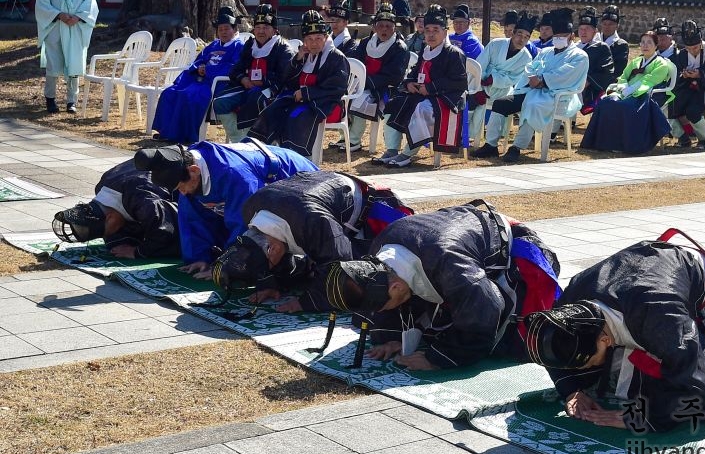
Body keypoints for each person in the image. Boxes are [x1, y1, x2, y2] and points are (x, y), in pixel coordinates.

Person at [523, 233, 705, 432]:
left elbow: (695, 383)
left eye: (584, 360)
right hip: (646, 284)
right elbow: (554, 344)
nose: (580, 367)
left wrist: (645, 417)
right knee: (624, 383)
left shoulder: (658, 315)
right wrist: (572, 388)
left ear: (605, 338)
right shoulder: (572, 304)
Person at [325, 202, 560, 369]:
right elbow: (380, 296)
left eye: (382, 306)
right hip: (449, 238)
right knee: (435, 320)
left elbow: (486, 308)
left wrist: (436, 359)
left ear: (396, 287)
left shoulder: (449, 264)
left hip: (516, 252)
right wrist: (392, 337)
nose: (377, 312)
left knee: (514, 344)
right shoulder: (381, 250)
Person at [210, 170, 413, 311]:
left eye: (268, 266)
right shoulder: (250, 210)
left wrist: (308, 303)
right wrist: (269, 284)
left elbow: (339, 263)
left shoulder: (311, 221)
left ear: (271, 250)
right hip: (318, 195)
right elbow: (265, 248)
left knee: (365, 278)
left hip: (371, 212)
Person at [133, 140, 317, 278]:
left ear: (194, 171)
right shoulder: (187, 167)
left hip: (302, 185)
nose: (181, 192)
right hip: (258, 190)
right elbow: (192, 219)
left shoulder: (235, 175)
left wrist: (225, 266)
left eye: (181, 186)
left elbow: (246, 224)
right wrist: (200, 258)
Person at [473, 8, 588, 163]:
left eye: (563, 36)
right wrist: (533, 77)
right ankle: (491, 145)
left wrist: (542, 80)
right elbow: (531, 68)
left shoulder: (579, 56)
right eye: (556, 36)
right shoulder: (546, 51)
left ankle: (517, 147)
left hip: (556, 96)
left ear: (572, 36)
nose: (559, 38)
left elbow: (566, 74)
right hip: (531, 90)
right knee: (500, 103)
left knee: (532, 105)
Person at [376, 4, 468, 168]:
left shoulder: (454, 54)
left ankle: (407, 154)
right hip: (421, 94)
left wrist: (431, 88)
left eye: (436, 30)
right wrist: (409, 83)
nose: (431, 34)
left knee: (421, 109)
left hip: (445, 99)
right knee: (392, 105)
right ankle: (391, 149)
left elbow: (459, 82)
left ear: (445, 32)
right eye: (428, 30)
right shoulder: (425, 51)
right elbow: (414, 72)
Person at [248, 10, 350, 157]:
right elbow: (287, 80)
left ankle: (298, 157)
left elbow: (337, 88)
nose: (314, 43)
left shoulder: (336, 58)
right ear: (304, 40)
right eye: (309, 39)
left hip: (326, 104)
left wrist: (306, 93)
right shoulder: (306, 55)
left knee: (295, 116)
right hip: (302, 100)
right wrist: (298, 59)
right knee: (273, 110)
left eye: (318, 38)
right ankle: (269, 151)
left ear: (326, 37)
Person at [150, 7, 244, 143]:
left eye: (227, 28)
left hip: (217, 84)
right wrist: (198, 68)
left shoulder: (239, 46)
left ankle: (182, 135)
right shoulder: (213, 45)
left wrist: (208, 70)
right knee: (169, 93)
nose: (223, 32)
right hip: (200, 79)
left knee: (188, 95)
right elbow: (200, 59)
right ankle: (166, 132)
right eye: (220, 29)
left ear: (234, 30)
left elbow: (233, 68)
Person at [52, 160, 179, 259]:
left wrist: (137, 252)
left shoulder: (144, 203)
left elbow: (165, 232)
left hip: (188, 174)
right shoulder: (102, 186)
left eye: (104, 233)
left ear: (110, 218)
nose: (105, 237)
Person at [580, 31, 672, 154]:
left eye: (649, 42)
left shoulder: (661, 63)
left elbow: (650, 80)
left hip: (644, 95)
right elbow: (624, 76)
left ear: (656, 45)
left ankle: (624, 144)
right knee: (605, 103)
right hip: (626, 92)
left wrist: (631, 90)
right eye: (643, 42)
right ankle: (602, 143)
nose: (645, 45)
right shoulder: (636, 61)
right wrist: (623, 86)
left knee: (624, 106)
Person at [212, 4, 294, 143]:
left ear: (274, 30)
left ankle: (259, 141)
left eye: (265, 28)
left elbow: (285, 77)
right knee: (220, 101)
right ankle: (239, 139)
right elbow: (236, 69)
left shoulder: (283, 48)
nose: (261, 31)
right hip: (248, 86)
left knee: (256, 99)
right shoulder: (250, 45)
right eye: (258, 28)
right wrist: (243, 79)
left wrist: (263, 81)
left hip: (273, 89)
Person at [35, 0, 99, 115]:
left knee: (74, 64)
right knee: (53, 64)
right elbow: (41, 4)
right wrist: (59, 15)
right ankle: (50, 99)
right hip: (56, 26)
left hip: (76, 28)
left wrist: (78, 17)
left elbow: (91, 5)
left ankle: (72, 101)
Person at [468, 12, 537, 157]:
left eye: (526, 37)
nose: (521, 39)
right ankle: (462, 137)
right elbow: (480, 65)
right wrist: (480, 87)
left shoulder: (526, 57)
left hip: (503, 89)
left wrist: (494, 79)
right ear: (512, 33)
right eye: (519, 34)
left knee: (500, 104)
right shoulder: (496, 44)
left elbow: (513, 79)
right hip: (480, 83)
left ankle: (491, 144)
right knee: (469, 100)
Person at [342, 3, 409, 152]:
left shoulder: (400, 48)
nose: (384, 29)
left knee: (361, 98)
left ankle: (356, 141)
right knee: (347, 98)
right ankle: (350, 139)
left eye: (388, 26)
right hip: (365, 84)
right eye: (381, 25)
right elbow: (358, 63)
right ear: (374, 27)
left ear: (394, 28)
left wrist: (368, 83)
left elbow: (394, 76)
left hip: (388, 89)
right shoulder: (366, 42)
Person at [668, 21, 705, 148]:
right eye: (688, 48)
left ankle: (704, 138)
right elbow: (676, 75)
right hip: (687, 87)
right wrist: (684, 75)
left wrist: (700, 74)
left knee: (693, 111)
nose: (692, 51)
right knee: (671, 106)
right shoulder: (682, 55)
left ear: (700, 42)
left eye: (694, 48)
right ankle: (683, 137)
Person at [576, 6, 615, 113]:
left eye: (587, 29)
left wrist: (587, 82)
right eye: (581, 29)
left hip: (590, 88)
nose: (583, 32)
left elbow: (606, 72)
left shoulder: (601, 47)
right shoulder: (573, 47)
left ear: (595, 31)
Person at [599, 5, 629, 79]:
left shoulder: (621, 45)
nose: (607, 27)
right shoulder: (594, 40)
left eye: (611, 24)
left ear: (617, 26)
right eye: (604, 24)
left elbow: (618, 70)